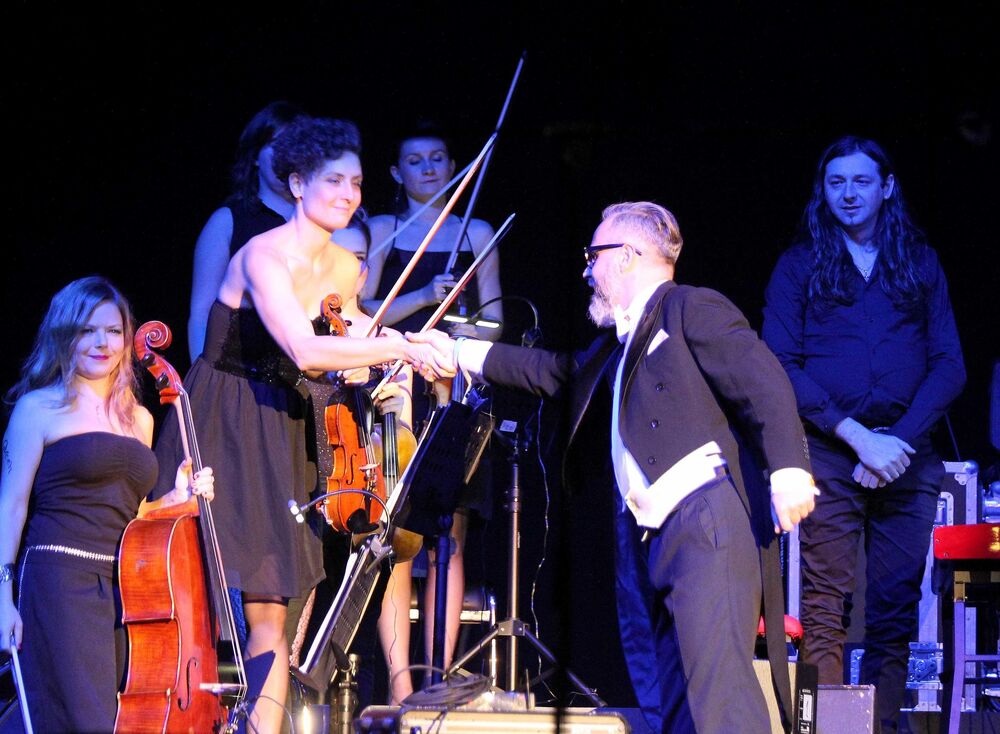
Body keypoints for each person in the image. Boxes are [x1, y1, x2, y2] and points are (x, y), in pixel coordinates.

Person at [408, 201, 817, 733]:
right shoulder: (616, 344)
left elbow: (763, 379)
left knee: (721, 696)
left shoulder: (690, 306)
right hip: (655, 537)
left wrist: (789, 470)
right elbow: (553, 372)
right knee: (674, 701)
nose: (587, 271)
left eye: (593, 256)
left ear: (625, 256)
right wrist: (457, 352)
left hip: (705, 522)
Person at [152, 116, 451, 733]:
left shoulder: (343, 265)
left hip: (286, 423)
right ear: (296, 185)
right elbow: (305, 349)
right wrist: (395, 346)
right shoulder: (262, 256)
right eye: (332, 180)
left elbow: (349, 337)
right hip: (226, 417)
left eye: (356, 182)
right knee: (192, 588)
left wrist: (402, 352)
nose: (348, 194)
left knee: (272, 605)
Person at [763, 136, 965, 732]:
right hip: (830, 453)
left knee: (895, 611)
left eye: (860, 182)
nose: (848, 194)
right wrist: (859, 439)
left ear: (886, 187)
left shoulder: (919, 262)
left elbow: (950, 364)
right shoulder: (799, 265)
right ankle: (829, 729)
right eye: (836, 183)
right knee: (824, 606)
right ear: (823, 192)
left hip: (906, 455)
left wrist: (894, 442)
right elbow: (780, 363)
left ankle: (881, 728)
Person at [0, 276, 214, 733]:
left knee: (120, 719)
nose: (103, 343)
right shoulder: (38, 409)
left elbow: (131, 516)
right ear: (64, 335)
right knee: (86, 720)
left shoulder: (139, 419)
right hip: (60, 579)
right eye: (87, 330)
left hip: (128, 592)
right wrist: (1, 596)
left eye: (114, 331)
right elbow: (11, 507)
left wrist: (174, 500)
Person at [363, 121, 503, 674]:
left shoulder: (477, 231)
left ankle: (438, 676)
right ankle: (401, 685)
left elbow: (496, 321)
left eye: (438, 158)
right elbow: (364, 311)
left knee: (450, 535)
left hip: (451, 389)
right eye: (415, 160)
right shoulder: (382, 228)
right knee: (397, 537)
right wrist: (423, 296)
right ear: (396, 173)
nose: (428, 168)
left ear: (452, 165)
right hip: (395, 390)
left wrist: (458, 336)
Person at [188, 100, 307, 361]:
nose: (288, 155)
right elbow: (202, 314)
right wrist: (201, 376)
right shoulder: (227, 221)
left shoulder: (320, 225)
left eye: (296, 145)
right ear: (255, 157)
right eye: (277, 144)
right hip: (241, 372)